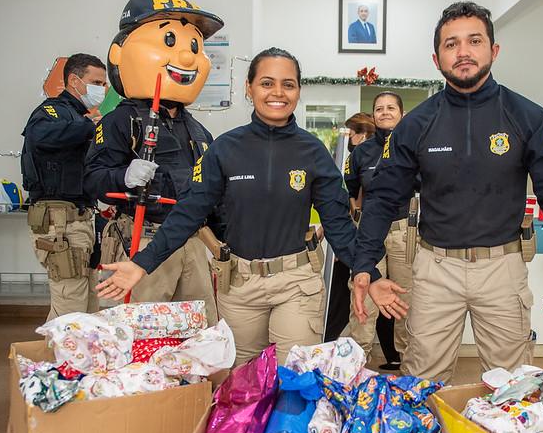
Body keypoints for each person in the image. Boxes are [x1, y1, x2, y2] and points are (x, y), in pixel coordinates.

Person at [352, 1, 543, 383]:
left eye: (473, 41)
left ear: (493, 50)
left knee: (513, 384)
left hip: (503, 269)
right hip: (433, 269)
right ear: (436, 58)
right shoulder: (417, 126)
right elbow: (382, 198)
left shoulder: (529, 118)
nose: (462, 52)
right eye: (451, 44)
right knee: (421, 383)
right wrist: (364, 265)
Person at [97, 47, 357, 365]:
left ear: (298, 90)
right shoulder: (224, 150)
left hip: (296, 283)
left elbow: (338, 224)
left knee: (296, 377)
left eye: (288, 84)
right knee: (242, 383)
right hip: (240, 285)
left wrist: (366, 270)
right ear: (249, 88)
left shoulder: (314, 152)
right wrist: (142, 263)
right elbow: (190, 211)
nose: (278, 92)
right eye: (267, 83)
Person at [84, 0, 224, 325]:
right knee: (142, 332)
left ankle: (196, 381)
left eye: (194, 47)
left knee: (200, 331)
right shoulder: (121, 121)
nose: (186, 58)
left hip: (193, 242)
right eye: (170, 41)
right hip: (143, 238)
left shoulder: (199, 130)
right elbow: (93, 179)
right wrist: (123, 176)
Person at [21, 53, 107, 321]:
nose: (102, 90)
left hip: (82, 219)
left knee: (87, 307)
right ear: (74, 80)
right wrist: (88, 127)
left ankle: (77, 361)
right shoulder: (52, 112)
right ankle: (57, 362)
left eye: (104, 84)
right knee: (71, 313)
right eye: (96, 82)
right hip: (61, 223)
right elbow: (39, 136)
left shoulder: (80, 117)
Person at [344, 92, 415, 369]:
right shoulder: (361, 152)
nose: (385, 112)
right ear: (373, 115)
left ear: (402, 113)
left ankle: (409, 363)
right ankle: (356, 362)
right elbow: (350, 191)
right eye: (379, 108)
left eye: (390, 108)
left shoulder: (413, 146)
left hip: (404, 232)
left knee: (407, 298)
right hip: (368, 233)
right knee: (362, 296)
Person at [323, 112, 375, 343]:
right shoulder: (351, 159)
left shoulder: (368, 159)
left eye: (351, 134)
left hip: (364, 230)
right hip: (349, 228)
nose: (348, 139)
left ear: (362, 135)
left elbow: (357, 199)